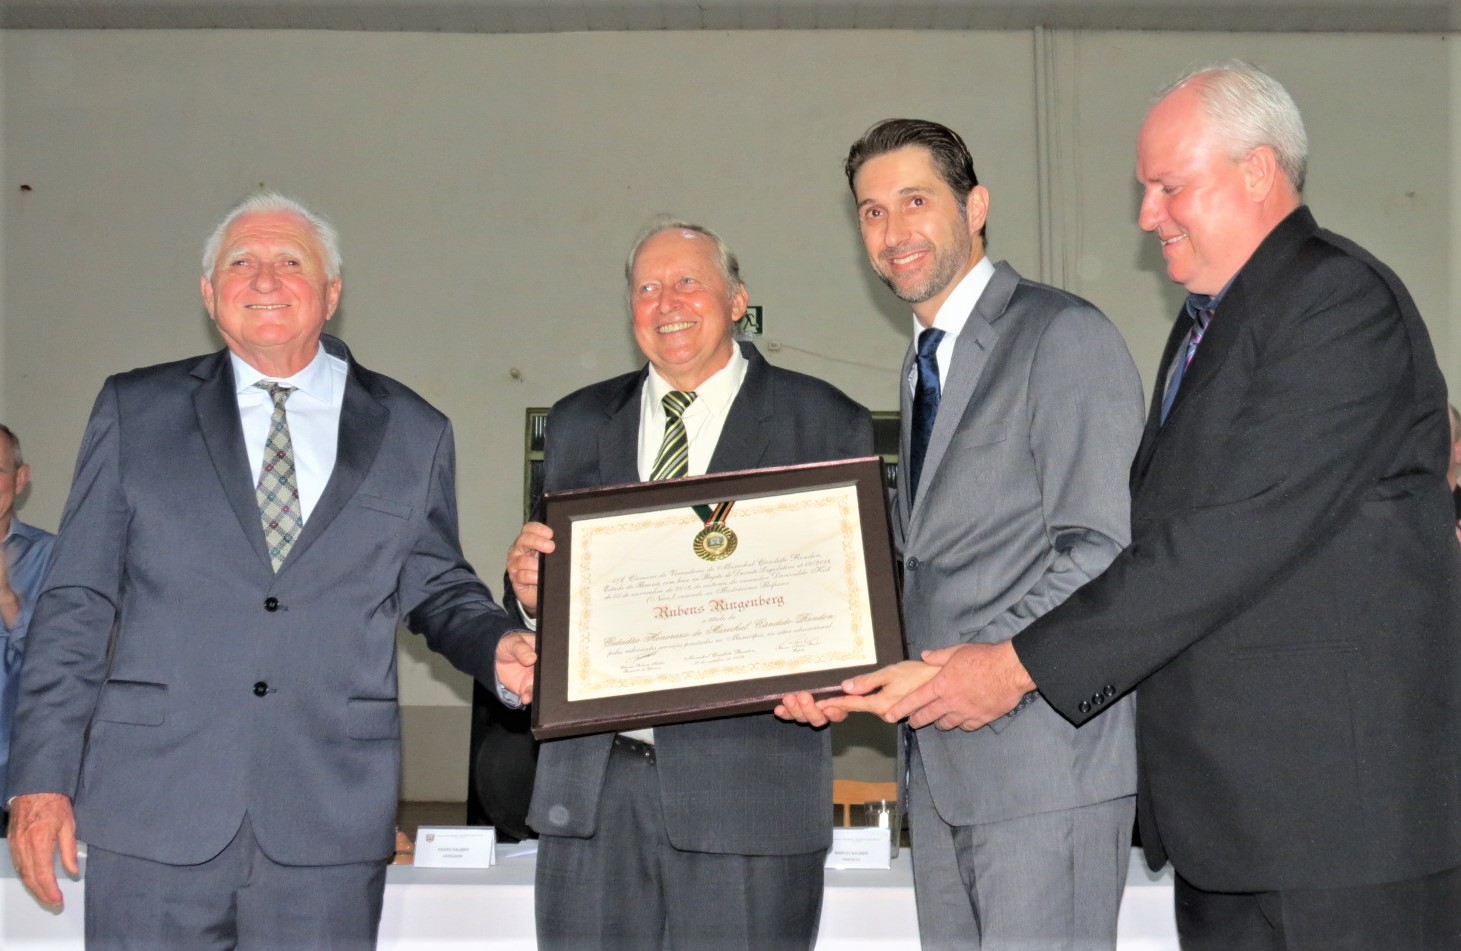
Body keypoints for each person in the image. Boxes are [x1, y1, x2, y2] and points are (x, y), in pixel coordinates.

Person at [813, 62, 1461, 950]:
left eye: (1168, 187)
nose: (1148, 215)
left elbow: (1219, 541)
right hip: (1233, 815)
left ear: (1257, 171)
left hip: (1335, 821)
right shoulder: (1207, 326)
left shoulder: (1335, 300)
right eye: (1144, 190)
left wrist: (1012, 666)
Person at [6, 192, 528, 949]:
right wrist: (40, 775)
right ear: (208, 292)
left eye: (290, 261)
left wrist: (495, 644)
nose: (264, 279)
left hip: (326, 815)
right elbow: (76, 599)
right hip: (153, 808)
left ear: (331, 292)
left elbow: (436, 583)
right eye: (240, 263)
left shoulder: (412, 429)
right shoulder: (135, 410)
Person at [777, 119, 1145, 950]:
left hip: (1042, 768)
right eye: (872, 212)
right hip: (942, 774)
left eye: (915, 201)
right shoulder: (922, 364)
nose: (893, 232)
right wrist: (839, 674)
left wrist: (985, 667)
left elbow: (1102, 548)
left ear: (974, 207)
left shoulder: (1060, 334)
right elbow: (930, 571)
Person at [494, 216, 873, 950]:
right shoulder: (576, 422)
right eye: (646, 288)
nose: (666, 302)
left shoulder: (822, 420)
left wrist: (838, 679)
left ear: (737, 300)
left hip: (749, 798)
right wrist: (531, 599)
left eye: (688, 281)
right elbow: (545, 580)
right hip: (593, 796)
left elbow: (863, 592)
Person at [0, 425, 56, 837]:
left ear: (21, 479)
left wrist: (6, 597)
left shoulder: (54, 556)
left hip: (13, 783)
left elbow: (59, 667)